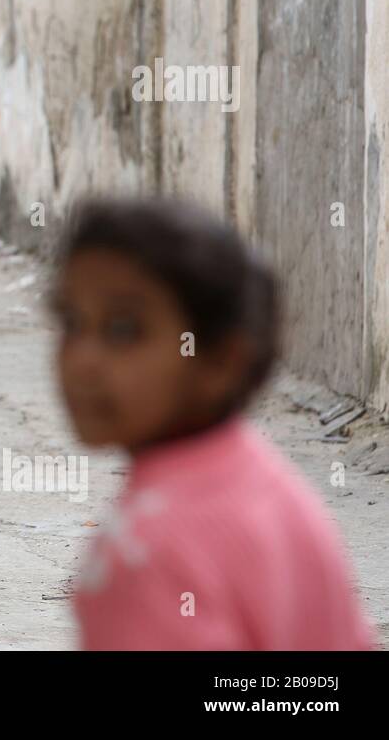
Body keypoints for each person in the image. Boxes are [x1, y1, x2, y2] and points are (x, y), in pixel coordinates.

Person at [52, 197, 375, 649]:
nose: (81, 360)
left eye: (124, 329)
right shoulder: (270, 485)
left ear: (222, 361)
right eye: (70, 321)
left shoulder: (146, 556)